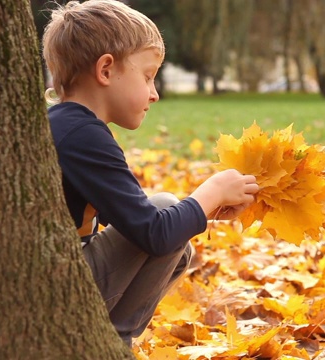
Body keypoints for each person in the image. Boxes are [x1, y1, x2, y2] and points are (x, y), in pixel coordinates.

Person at [41, 0, 258, 347]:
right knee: (165, 211)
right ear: (106, 70)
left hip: (57, 276)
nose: (154, 93)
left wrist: (204, 211)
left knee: (177, 242)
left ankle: (107, 339)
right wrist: (212, 191)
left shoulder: (67, 126)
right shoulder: (83, 135)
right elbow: (153, 234)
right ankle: (111, 343)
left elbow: (130, 220)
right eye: (147, 76)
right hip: (59, 285)